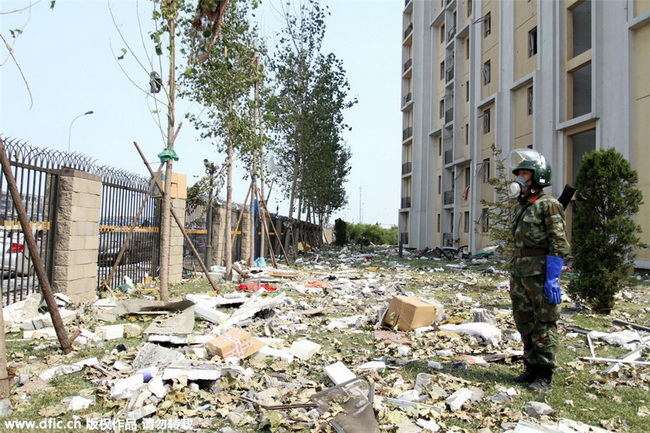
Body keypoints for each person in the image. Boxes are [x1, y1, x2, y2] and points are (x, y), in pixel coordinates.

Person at [508, 149, 569, 391]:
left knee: (544, 323)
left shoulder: (549, 205)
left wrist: (553, 278)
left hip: (541, 272)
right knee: (525, 321)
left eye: (525, 173)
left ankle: (544, 374)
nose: (520, 178)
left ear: (538, 176)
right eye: (520, 173)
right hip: (520, 272)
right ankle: (530, 368)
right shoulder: (522, 206)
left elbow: (558, 242)